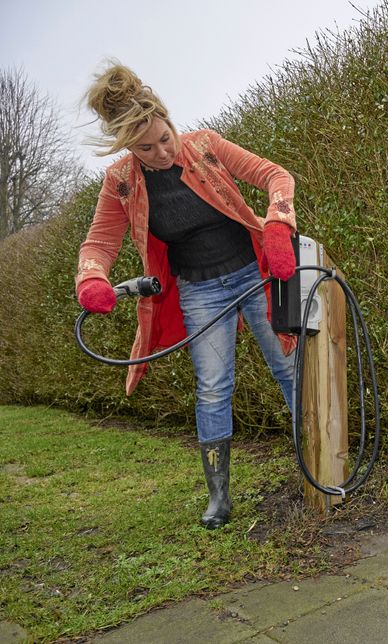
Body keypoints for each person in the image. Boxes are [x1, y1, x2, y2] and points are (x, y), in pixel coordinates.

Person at [76, 62, 298, 530]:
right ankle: (219, 496)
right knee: (214, 388)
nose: (161, 151)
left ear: (170, 122)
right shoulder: (120, 182)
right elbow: (98, 244)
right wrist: (91, 278)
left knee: (287, 367)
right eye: (146, 147)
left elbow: (276, 176)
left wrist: (278, 223)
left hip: (253, 275)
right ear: (126, 148)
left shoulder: (206, 147)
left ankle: (315, 459)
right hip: (199, 292)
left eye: (164, 137)